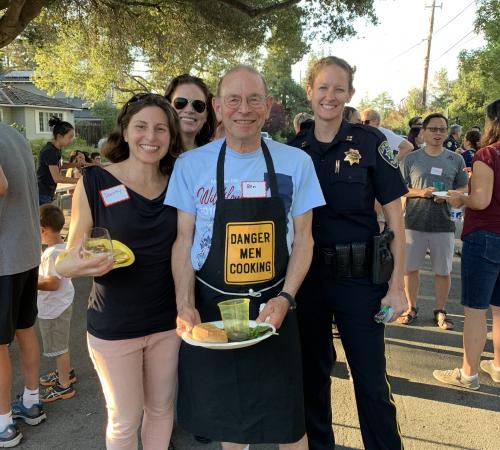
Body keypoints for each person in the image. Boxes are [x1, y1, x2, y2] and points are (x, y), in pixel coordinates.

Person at [166, 65, 325, 450]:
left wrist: (286, 297)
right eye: (233, 100)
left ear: (268, 105)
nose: (244, 108)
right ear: (218, 107)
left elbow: (305, 239)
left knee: (289, 423)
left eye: (254, 99)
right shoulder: (191, 166)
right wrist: (185, 305)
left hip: (274, 307)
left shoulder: (296, 163)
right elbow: (183, 241)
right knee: (230, 425)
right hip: (214, 307)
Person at [287, 56, 407, 450]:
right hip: (310, 281)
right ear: (310, 91)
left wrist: (397, 288)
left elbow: (396, 219)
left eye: (339, 88)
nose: (330, 96)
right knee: (312, 378)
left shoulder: (370, 144)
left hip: (360, 280)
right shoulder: (295, 149)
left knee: (371, 380)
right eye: (323, 87)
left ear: (350, 94)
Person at [55, 93, 183, 450]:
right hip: (114, 325)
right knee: (125, 420)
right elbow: (66, 259)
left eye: (160, 129)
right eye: (141, 126)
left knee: (160, 410)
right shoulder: (95, 182)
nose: (151, 137)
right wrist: (81, 264)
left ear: (170, 137)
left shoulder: (179, 182)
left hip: (166, 322)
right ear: (125, 131)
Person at [433, 99, 500, 390]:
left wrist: (460, 198)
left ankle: (468, 373)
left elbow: (481, 201)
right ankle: (497, 366)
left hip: (485, 236)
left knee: (475, 309)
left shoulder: (488, 154)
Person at [398, 113, 468, 328]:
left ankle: (441, 310)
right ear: (423, 132)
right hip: (413, 223)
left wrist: (450, 195)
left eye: (442, 129)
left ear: (447, 132)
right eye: (433, 129)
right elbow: (400, 189)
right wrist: (421, 192)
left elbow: (464, 188)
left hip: (444, 224)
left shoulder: (455, 159)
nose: (438, 133)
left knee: (443, 271)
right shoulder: (411, 158)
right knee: (409, 269)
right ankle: (411, 308)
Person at [0, 123, 46, 448]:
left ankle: (3, 423)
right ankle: (32, 401)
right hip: (26, 250)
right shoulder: (13, 134)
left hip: (3, 258)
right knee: (25, 327)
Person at [37, 204, 76, 403]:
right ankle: (66, 373)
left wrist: (30, 282)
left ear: (42, 230)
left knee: (59, 347)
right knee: (61, 344)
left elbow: (52, 283)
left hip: (54, 309)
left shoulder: (51, 254)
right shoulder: (60, 248)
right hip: (61, 305)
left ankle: (64, 386)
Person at [165, 74, 217, 150]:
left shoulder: (216, 154)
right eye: (180, 102)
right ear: (167, 107)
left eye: (198, 105)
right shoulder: (155, 153)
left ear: (206, 115)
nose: (189, 110)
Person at [37, 117, 78, 205]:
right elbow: (57, 178)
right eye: (70, 137)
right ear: (59, 136)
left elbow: (60, 165)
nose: (71, 140)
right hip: (43, 194)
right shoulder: (49, 151)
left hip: (48, 193)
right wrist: (79, 180)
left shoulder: (56, 149)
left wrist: (75, 164)